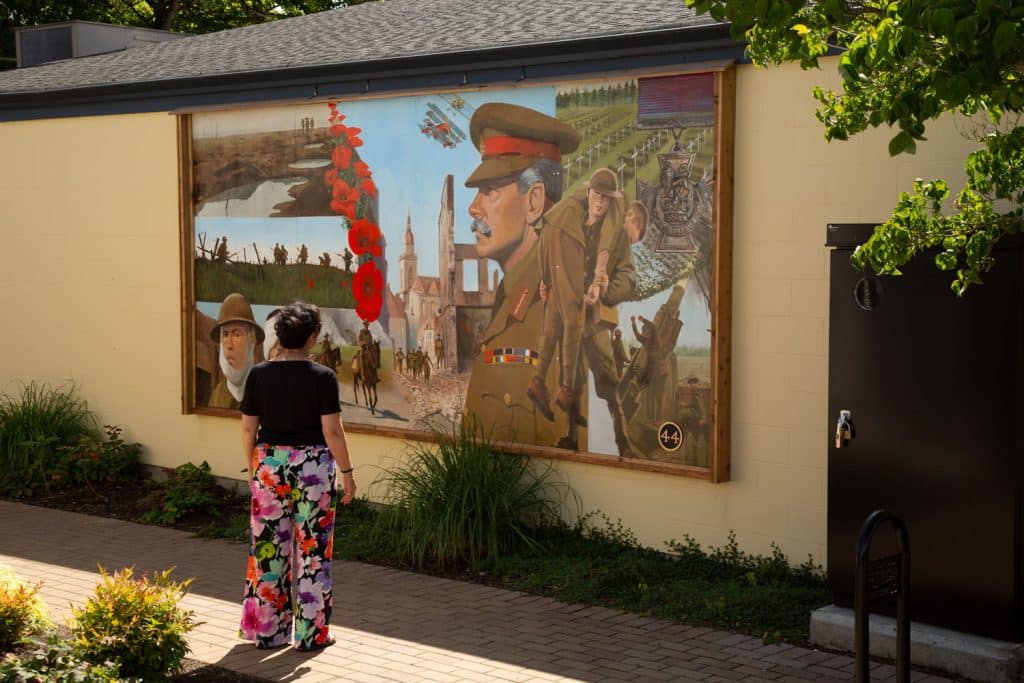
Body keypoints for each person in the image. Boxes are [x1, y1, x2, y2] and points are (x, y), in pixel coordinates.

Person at [239, 302, 356, 652]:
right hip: (313, 469)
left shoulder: (258, 375)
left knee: (268, 550)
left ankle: (269, 632)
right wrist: (347, 473)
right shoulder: (323, 377)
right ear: (312, 337)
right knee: (313, 550)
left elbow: (248, 429)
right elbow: (332, 431)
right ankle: (311, 634)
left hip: (269, 466)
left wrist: (253, 469)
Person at [462, 102, 580, 446]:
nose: (474, 208)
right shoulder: (510, 294)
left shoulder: (556, 305)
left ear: (534, 202)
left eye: (490, 191)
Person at [529, 168, 636, 455]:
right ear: (588, 193)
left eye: (606, 198)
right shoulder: (572, 223)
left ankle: (623, 441)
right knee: (571, 379)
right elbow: (554, 259)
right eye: (596, 195)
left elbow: (629, 277)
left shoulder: (617, 237)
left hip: (595, 320)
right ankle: (571, 437)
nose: (599, 202)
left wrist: (606, 290)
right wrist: (547, 284)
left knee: (608, 382)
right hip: (570, 314)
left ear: (612, 202)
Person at [209, 293, 264, 410]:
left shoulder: (265, 389)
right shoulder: (217, 396)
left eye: (236, 334)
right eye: (225, 334)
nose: (229, 345)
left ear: (252, 340)